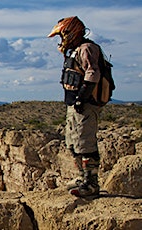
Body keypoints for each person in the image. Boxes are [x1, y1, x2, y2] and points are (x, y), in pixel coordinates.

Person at [47, 16, 101, 198]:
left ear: (71, 33)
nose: (61, 41)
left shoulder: (87, 49)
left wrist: (82, 97)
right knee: (73, 142)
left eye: (62, 36)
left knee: (85, 143)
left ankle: (91, 183)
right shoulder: (75, 50)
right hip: (75, 104)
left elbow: (93, 73)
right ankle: (81, 177)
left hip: (85, 105)